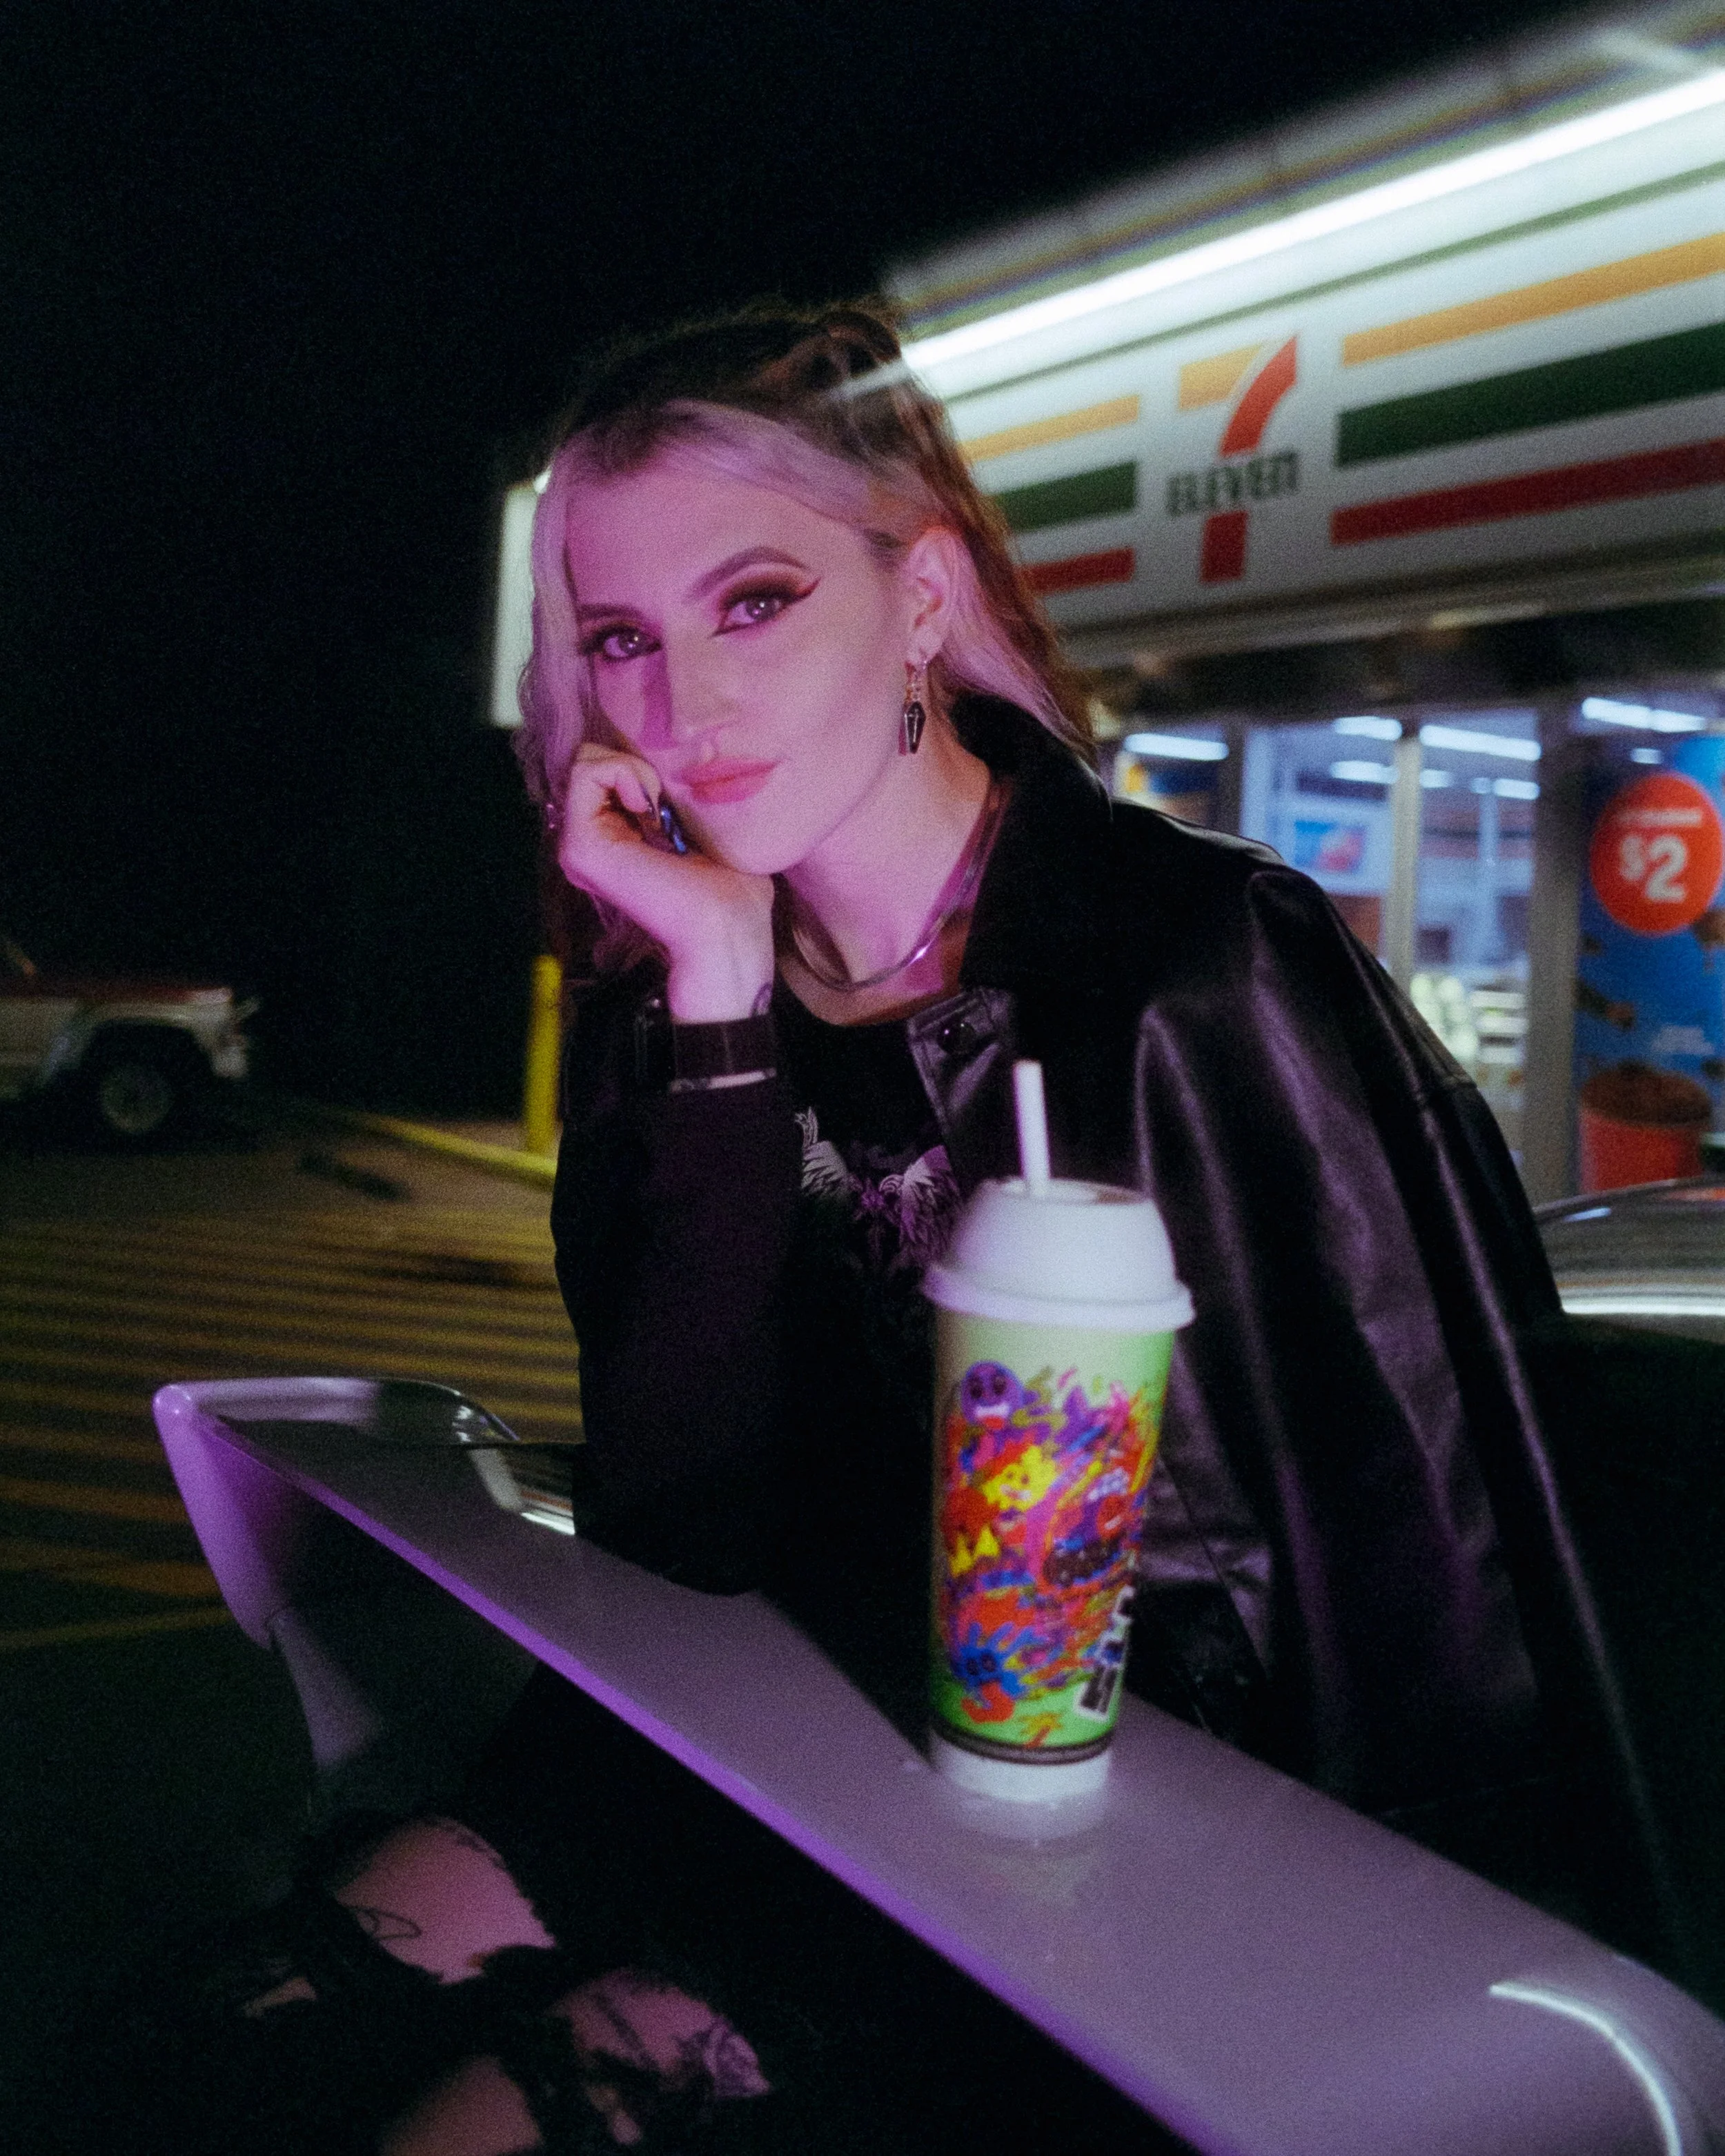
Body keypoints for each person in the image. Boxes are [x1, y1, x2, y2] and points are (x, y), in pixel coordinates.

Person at [76, 299, 1670, 2155]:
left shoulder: (1187, 966)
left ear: (919, 599)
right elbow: (682, 1528)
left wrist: (1433, 2022)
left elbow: (1421, 1567)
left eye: (752, 602)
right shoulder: (665, 998)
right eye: (619, 641)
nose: (679, 707)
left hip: (1091, 1839)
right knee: (235, 2025)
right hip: (742, 1741)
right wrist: (720, 1007)